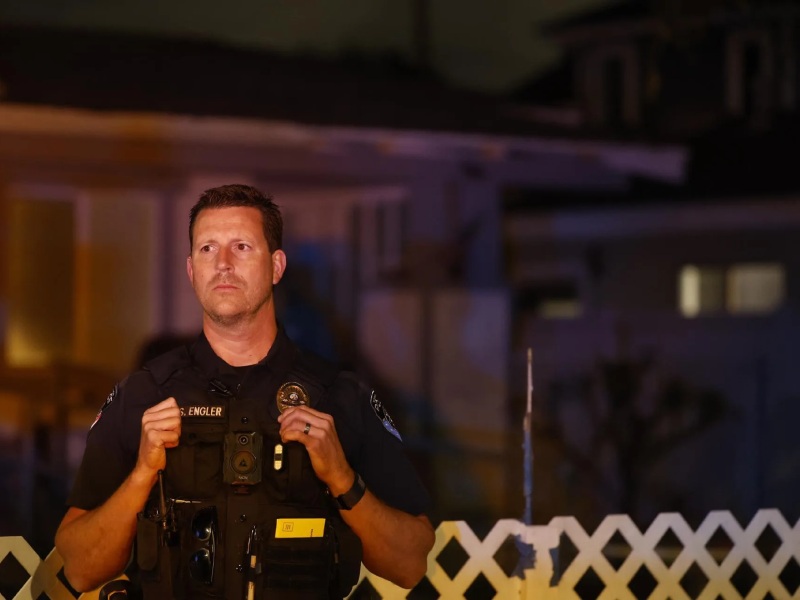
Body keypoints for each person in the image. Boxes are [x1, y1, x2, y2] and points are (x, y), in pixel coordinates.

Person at [55, 184, 435, 598]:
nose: (222, 264)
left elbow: (410, 562)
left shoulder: (340, 396)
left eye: (241, 247)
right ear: (190, 269)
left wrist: (342, 478)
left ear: (276, 266)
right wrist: (141, 476)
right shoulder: (144, 394)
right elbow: (79, 567)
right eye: (206, 249)